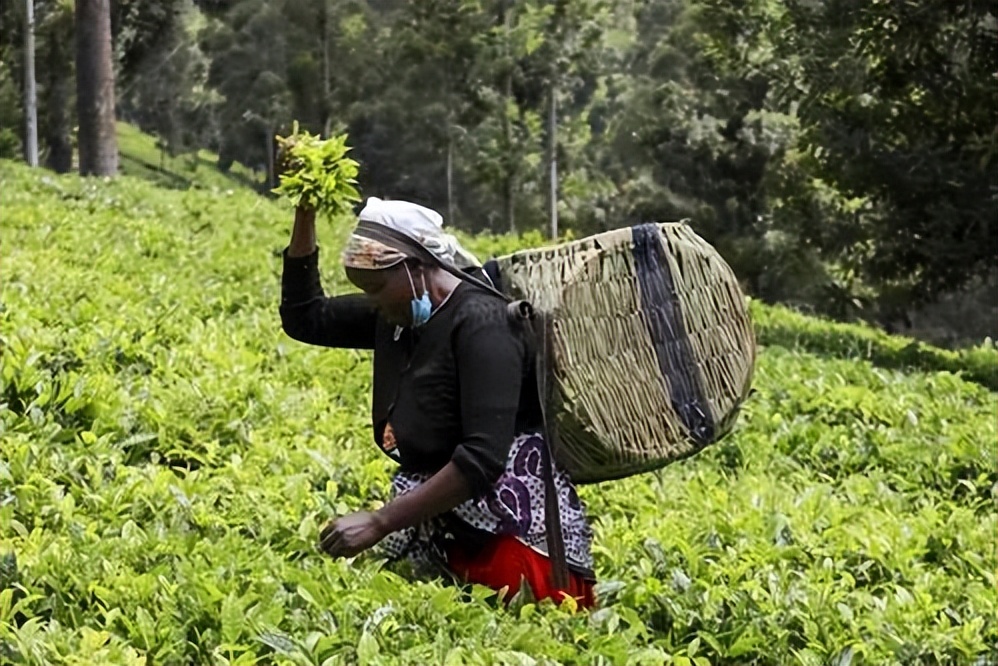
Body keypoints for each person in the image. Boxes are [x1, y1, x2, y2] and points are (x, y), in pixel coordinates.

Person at [279, 197, 596, 607]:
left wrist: (380, 522)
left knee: (516, 630)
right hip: (442, 524)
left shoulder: (486, 323)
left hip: (510, 538)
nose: (372, 302)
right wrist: (305, 213)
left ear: (416, 266)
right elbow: (306, 317)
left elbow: (482, 459)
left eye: (376, 288)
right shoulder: (400, 314)